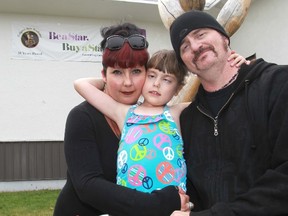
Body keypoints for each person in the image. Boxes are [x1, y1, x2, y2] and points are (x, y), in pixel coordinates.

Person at [53, 23, 190, 216]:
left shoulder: (160, 117)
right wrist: (158, 203)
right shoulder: (83, 117)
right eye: (117, 72)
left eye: (136, 71)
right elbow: (88, 186)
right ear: (104, 75)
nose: (127, 83)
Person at [169, 10, 288, 216]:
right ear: (185, 64)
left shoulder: (277, 84)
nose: (195, 47)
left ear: (224, 37)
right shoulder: (188, 119)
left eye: (200, 34)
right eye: (185, 46)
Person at [74, 49, 190, 194]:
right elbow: (81, 84)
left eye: (167, 80)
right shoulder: (123, 113)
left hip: (173, 206)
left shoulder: (176, 113)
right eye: (151, 76)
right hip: (131, 204)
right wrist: (108, 81)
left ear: (178, 89)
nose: (156, 84)